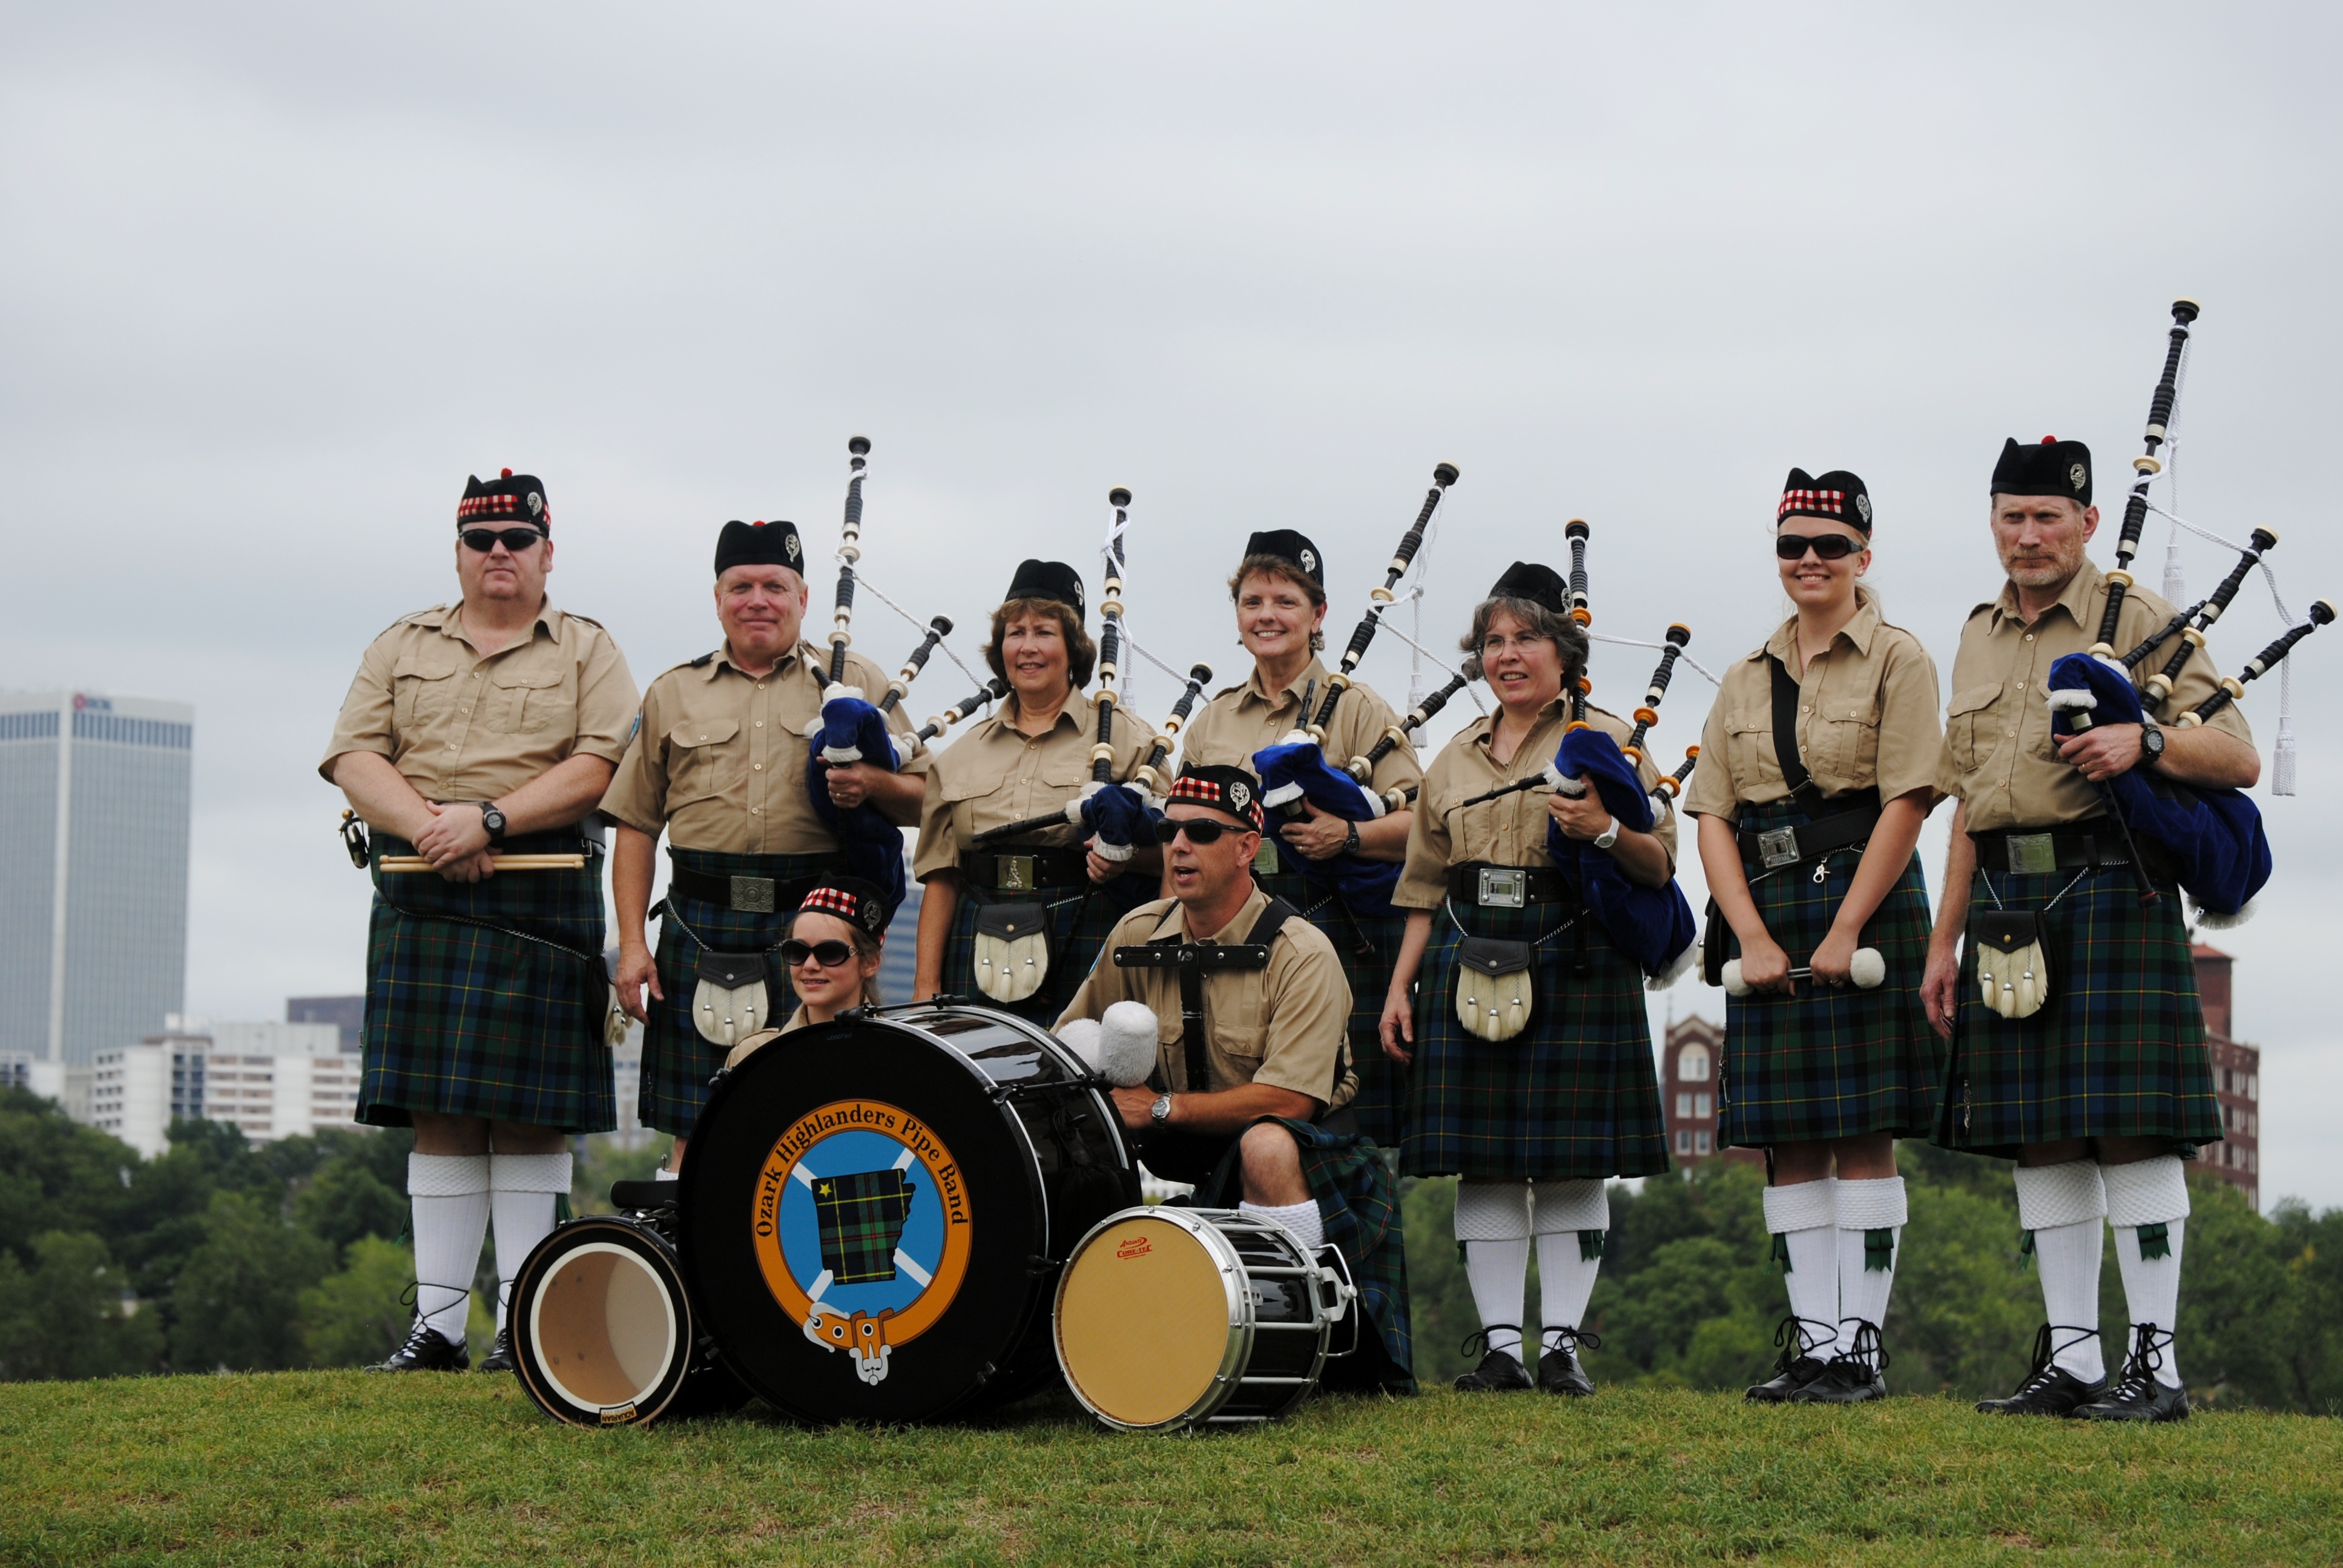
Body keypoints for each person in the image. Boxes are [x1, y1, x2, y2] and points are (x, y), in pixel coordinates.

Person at [1923, 438, 2258, 1423]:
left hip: (2113, 891)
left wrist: (2146, 739)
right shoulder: (1977, 634)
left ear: (2087, 525)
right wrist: (1944, 941)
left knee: (2133, 1131)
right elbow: (1969, 806)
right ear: (1993, 521)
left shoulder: (2144, 621)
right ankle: (2073, 1361)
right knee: (2043, 1136)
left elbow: (2236, 755)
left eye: (2048, 519)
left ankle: (2156, 1369)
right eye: (2012, 517)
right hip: (2006, 906)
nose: (2028, 536)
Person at [321, 469, 638, 1374]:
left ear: (547, 551)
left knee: (532, 1120)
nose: (498, 553)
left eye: (516, 539)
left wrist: (489, 818)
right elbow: (351, 754)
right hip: (423, 888)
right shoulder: (400, 641)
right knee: (442, 1111)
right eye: (480, 538)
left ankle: (524, 1325)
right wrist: (434, 825)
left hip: (538, 883)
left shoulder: (586, 647)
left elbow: (604, 760)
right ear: (458, 552)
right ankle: (439, 1330)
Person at [1380, 562, 1673, 1396]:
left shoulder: (1613, 740)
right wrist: (1402, 987)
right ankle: (1503, 1349)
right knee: (1488, 1163)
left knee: (1573, 1163)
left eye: (1525, 638)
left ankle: (1563, 1349)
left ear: (1562, 648)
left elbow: (1659, 867)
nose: (1507, 655)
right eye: (1493, 641)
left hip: (1575, 953)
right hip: (1465, 955)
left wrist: (1608, 829)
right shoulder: (1454, 757)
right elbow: (1421, 886)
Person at [1684, 469, 1943, 1405]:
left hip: (1860, 900)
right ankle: (1813, 1344)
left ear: (1860, 557)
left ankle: (1859, 1350)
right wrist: (1748, 934)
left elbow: (1909, 796)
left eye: (1827, 546)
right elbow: (1710, 812)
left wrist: (1844, 927)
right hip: (1768, 904)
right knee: (1787, 1139)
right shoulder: (1744, 673)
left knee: (1864, 1132)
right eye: (1791, 545)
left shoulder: (1898, 658)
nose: (1807, 560)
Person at [1055, 765, 1415, 1394]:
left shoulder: (1301, 951)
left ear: (1248, 845)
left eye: (1201, 831)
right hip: (1174, 1141)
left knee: (1267, 1142)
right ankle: (1064, 1343)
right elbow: (1071, 1042)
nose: (1179, 846)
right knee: (1069, 1137)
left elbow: (1291, 1100)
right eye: (1170, 831)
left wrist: (1161, 1108)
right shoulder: (1137, 933)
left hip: (1302, 1154)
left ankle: (1298, 1341)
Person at [601, 518, 928, 1176]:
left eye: (775, 586)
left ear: (803, 598)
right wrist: (633, 944)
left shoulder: (854, 679)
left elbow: (924, 798)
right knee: (697, 1126)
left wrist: (870, 782)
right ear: (717, 598)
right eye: (741, 586)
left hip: (816, 927)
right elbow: (636, 825)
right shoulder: (673, 691)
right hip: (701, 925)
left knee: (819, 1118)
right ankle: (691, 1262)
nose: (758, 600)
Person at [1178, 530, 1423, 1148]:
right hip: (1231, 935)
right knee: (1238, 1119)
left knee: (1343, 1131)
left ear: (1319, 615)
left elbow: (1426, 825)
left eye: (1285, 601)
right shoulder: (1213, 722)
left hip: (1334, 931)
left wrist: (1350, 836)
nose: (1268, 615)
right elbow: (1182, 836)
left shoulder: (1360, 709)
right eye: (1253, 601)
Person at [912, 560, 1159, 1017]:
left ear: (1074, 647)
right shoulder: (961, 754)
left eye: (1044, 632)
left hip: (1090, 932)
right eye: (1015, 632)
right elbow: (942, 877)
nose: (1027, 648)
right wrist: (926, 988)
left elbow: (1176, 854)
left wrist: (1124, 858)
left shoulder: (1132, 742)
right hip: (975, 938)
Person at [717, 878, 895, 1072]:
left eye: (830, 952)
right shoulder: (751, 1056)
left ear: (870, 963)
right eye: (797, 951)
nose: (810, 965)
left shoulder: (899, 1054)